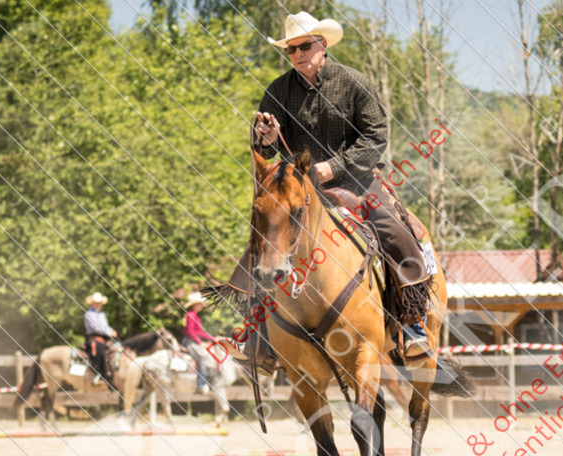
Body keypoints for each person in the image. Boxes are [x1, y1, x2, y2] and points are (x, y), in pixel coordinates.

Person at [250, 12, 432, 359]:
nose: (298, 54)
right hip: (295, 190)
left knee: (398, 236)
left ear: (323, 46)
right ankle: (258, 335)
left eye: (305, 46)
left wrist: (331, 168)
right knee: (261, 237)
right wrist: (267, 138)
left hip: (358, 182)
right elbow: (264, 149)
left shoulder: (354, 82)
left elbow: (377, 136)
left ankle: (412, 323)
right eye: (291, 50)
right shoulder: (278, 90)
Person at [182, 292, 215, 395]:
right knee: (204, 357)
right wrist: (200, 342)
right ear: (195, 305)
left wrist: (212, 338)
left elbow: (198, 332)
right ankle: (200, 385)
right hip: (191, 342)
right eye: (200, 304)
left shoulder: (194, 315)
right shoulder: (191, 315)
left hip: (193, 340)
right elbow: (191, 332)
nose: (202, 306)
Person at [84, 292, 117, 387]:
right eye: (96, 303)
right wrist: (110, 332)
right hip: (93, 339)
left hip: (103, 337)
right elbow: (96, 328)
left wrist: (111, 330)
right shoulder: (89, 314)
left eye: (99, 303)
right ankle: (98, 374)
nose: (98, 305)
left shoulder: (102, 314)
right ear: (92, 303)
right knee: (99, 349)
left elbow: (105, 326)